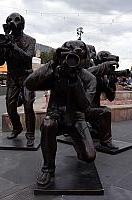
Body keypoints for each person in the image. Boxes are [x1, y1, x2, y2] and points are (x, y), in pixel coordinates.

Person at [25, 40, 97, 186]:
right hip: (55, 115)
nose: (75, 53)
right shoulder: (55, 73)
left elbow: (85, 106)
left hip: (76, 118)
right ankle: (48, 168)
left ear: (84, 57)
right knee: (48, 124)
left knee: (89, 157)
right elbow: (30, 83)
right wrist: (52, 63)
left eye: (79, 51)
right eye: (70, 50)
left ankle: (78, 143)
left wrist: (74, 79)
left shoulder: (90, 79)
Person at [0, 13, 36, 146]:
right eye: (9, 20)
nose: (12, 22)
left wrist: (13, 46)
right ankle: (17, 128)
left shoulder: (30, 40)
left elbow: (27, 58)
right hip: (12, 77)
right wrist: (0, 45)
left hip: (27, 76)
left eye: (16, 20)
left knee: (28, 105)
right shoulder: (4, 40)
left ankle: (30, 134)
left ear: (22, 24)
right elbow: (0, 62)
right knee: (10, 106)